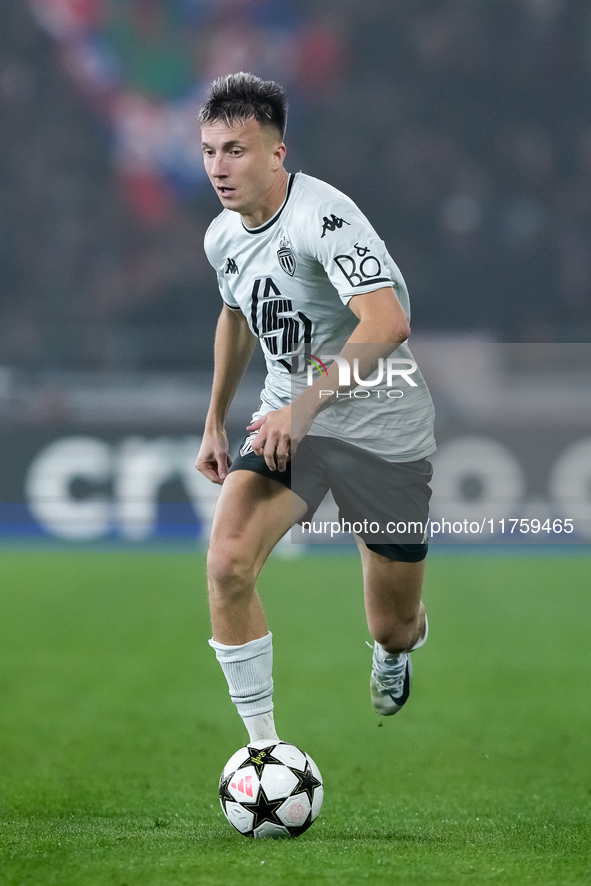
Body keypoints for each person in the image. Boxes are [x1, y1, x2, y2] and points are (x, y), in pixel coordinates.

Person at [195, 72, 436, 743]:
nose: (219, 166)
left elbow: (387, 324)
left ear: (276, 154)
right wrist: (215, 419)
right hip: (286, 423)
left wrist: (304, 406)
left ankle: (395, 649)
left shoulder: (323, 217)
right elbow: (236, 315)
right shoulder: (222, 236)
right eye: (210, 149)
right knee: (227, 563)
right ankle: (264, 751)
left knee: (391, 623)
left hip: (377, 425)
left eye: (236, 150)